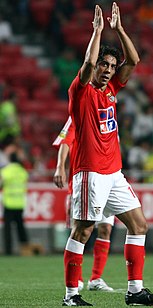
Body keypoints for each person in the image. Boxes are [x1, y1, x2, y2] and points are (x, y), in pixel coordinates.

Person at [62, 3, 153, 306]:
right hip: (90, 172)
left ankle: (135, 291)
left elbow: (133, 59)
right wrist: (97, 31)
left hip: (113, 173)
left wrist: (119, 29)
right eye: (103, 65)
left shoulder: (111, 91)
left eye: (110, 66)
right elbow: (86, 65)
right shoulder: (81, 92)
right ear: (94, 67)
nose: (107, 70)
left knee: (139, 225)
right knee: (83, 231)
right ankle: (71, 295)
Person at [53, 116, 114, 292]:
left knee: (105, 229)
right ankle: (77, 278)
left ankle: (96, 278)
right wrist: (60, 167)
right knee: (79, 230)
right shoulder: (78, 115)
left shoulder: (110, 118)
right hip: (83, 183)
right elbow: (65, 141)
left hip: (107, 184)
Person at [0, 151, 29, 255]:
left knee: (7, 229)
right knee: (21, 228)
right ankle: (26, 250)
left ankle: (8, 251)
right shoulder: (22, 171)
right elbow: (25, 182)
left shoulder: (5, 171)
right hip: (20, 203)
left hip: (9, 203)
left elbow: (1, 185)